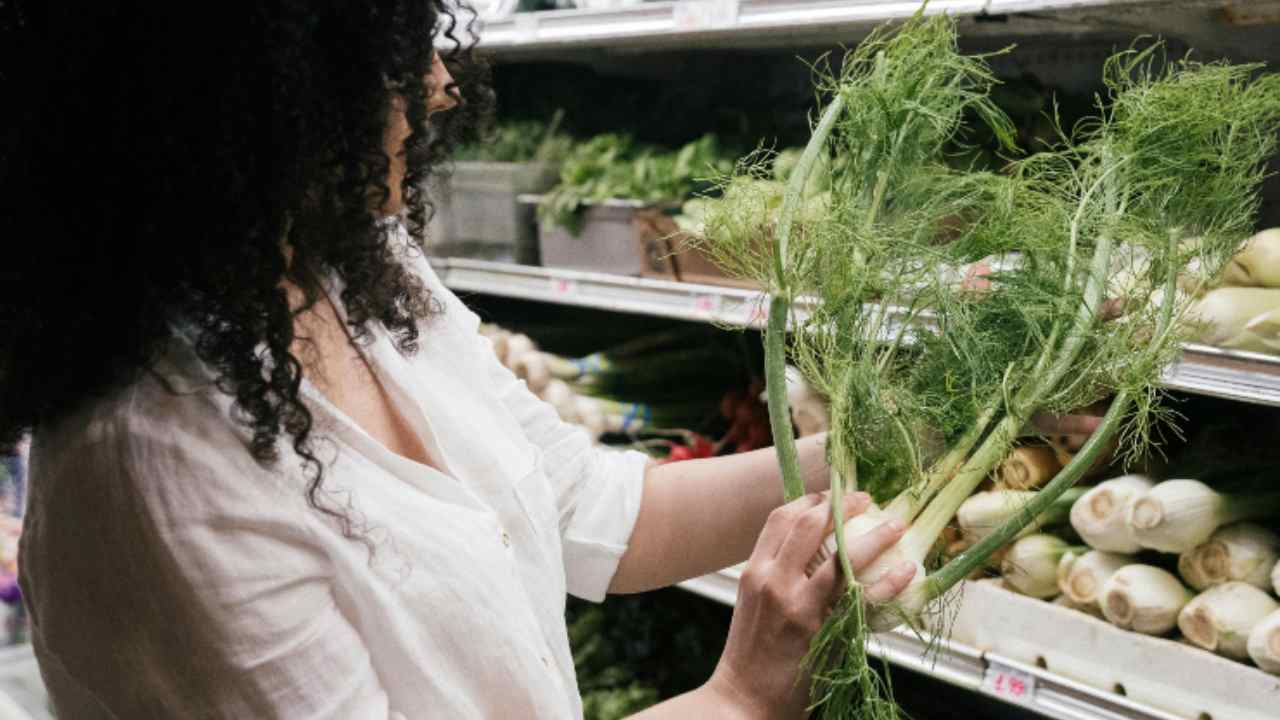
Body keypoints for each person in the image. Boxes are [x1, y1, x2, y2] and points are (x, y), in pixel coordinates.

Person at [1, 3, 919, 718]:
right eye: (388, 49)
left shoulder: (349, 264)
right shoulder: (158, 469)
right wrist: (743, 695)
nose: (439, 82)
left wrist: (899, 440)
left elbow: (590, 507)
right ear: (250, 92)